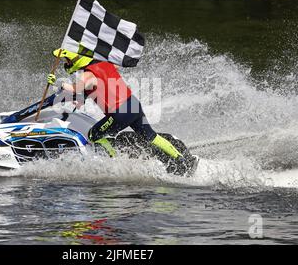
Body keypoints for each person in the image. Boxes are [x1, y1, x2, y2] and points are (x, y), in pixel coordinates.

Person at [47, 48, 198, 176]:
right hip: (133, 106)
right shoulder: (105, 63)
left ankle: (114, 162)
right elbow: (98, 85)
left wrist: (56, 82)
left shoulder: (87, 74)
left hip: (120, 113)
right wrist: (81, 99)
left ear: (76, 60)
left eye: (67, 61)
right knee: (151, 136)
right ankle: (182, 160)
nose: (66, 64)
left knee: (94, 135)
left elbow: (76, 88)